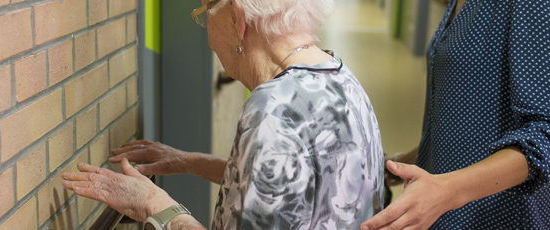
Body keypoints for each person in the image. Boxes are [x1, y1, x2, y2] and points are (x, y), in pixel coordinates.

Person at [62, 0, 385, 229]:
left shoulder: (273, 111)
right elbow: (288, 186)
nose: (206, 31)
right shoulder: (343, 81)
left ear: (237, 18)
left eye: (205, 11)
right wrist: (187, 161)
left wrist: (154, 205)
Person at [360, 0, 550, 229]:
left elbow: (544, 134)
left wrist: (446, 190)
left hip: (495, 214)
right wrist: (403, 165)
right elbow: (464, 121)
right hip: (444, 212)